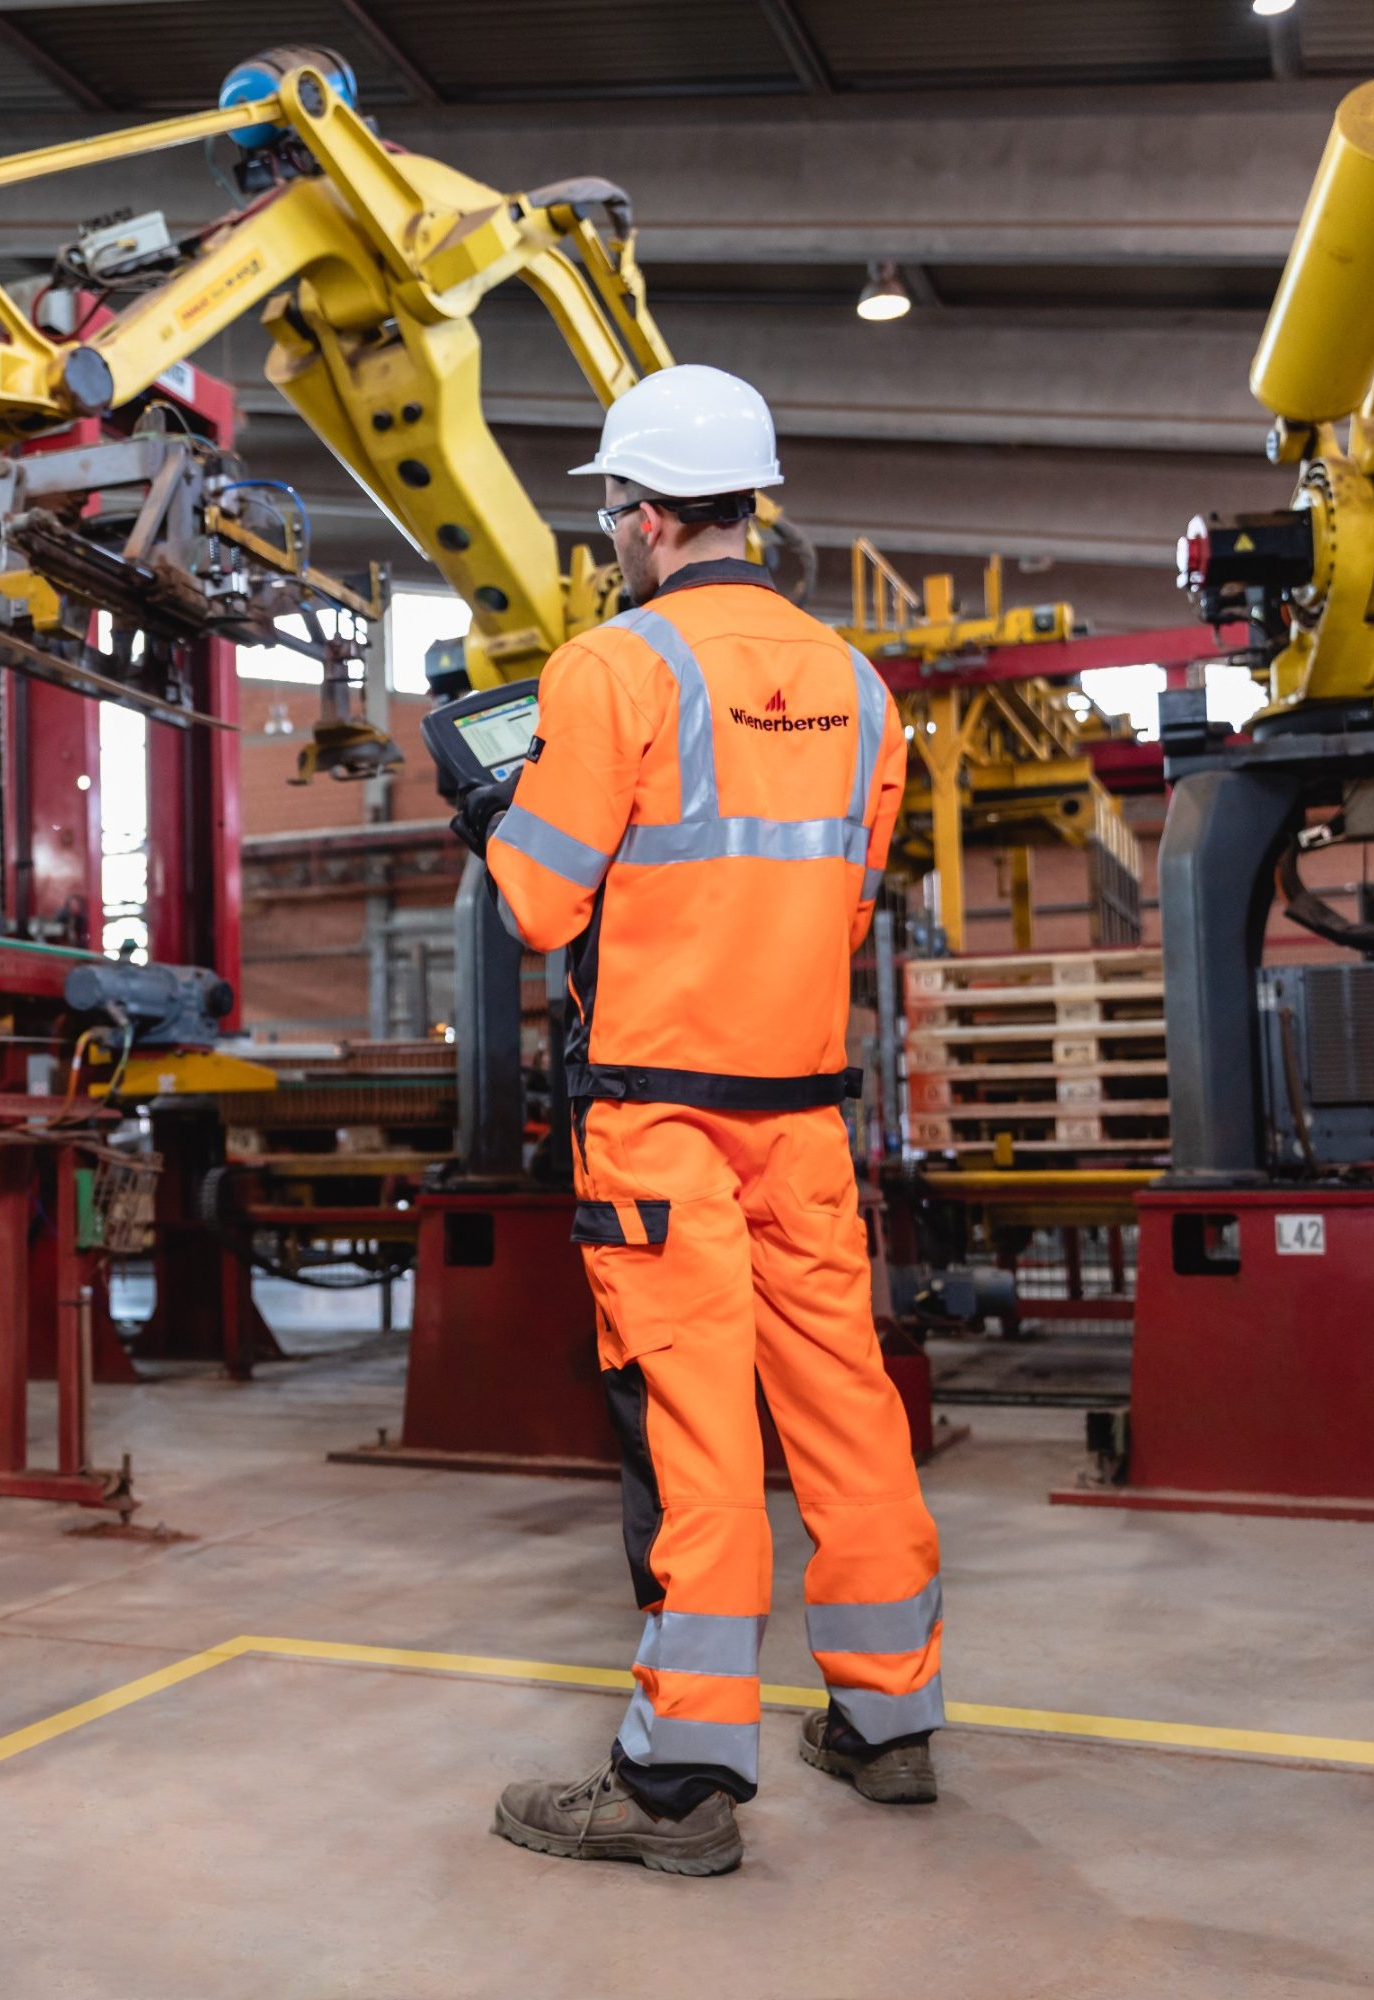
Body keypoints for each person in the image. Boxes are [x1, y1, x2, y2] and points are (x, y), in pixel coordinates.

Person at [454, 365, 943, 1878]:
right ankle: (884, 1725)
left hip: (663, 1124)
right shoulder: (864, 690)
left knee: (694, 1439)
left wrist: (493, 804)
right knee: (847, 1412)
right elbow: (840, 893)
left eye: (612, 508)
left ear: (647, 514)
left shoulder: (615, 668)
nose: (611, 531)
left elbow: (540, 905)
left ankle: (677, 1791)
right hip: (802, 1120)